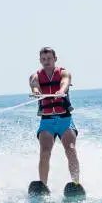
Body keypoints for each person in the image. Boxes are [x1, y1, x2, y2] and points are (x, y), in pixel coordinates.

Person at [29, 47, 80, 186]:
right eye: (43, 59)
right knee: (45, 152)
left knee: (70, 149)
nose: (46, 62)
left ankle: (76, 184)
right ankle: (43, 186)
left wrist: (61, 91)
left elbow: (65, 82)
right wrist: (36, 92)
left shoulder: (64, 73)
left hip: (65, 120)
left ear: (55, 59)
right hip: (47, 122)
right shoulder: (35, 76)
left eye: (49, 59)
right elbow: (34, 86)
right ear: (40, 61)